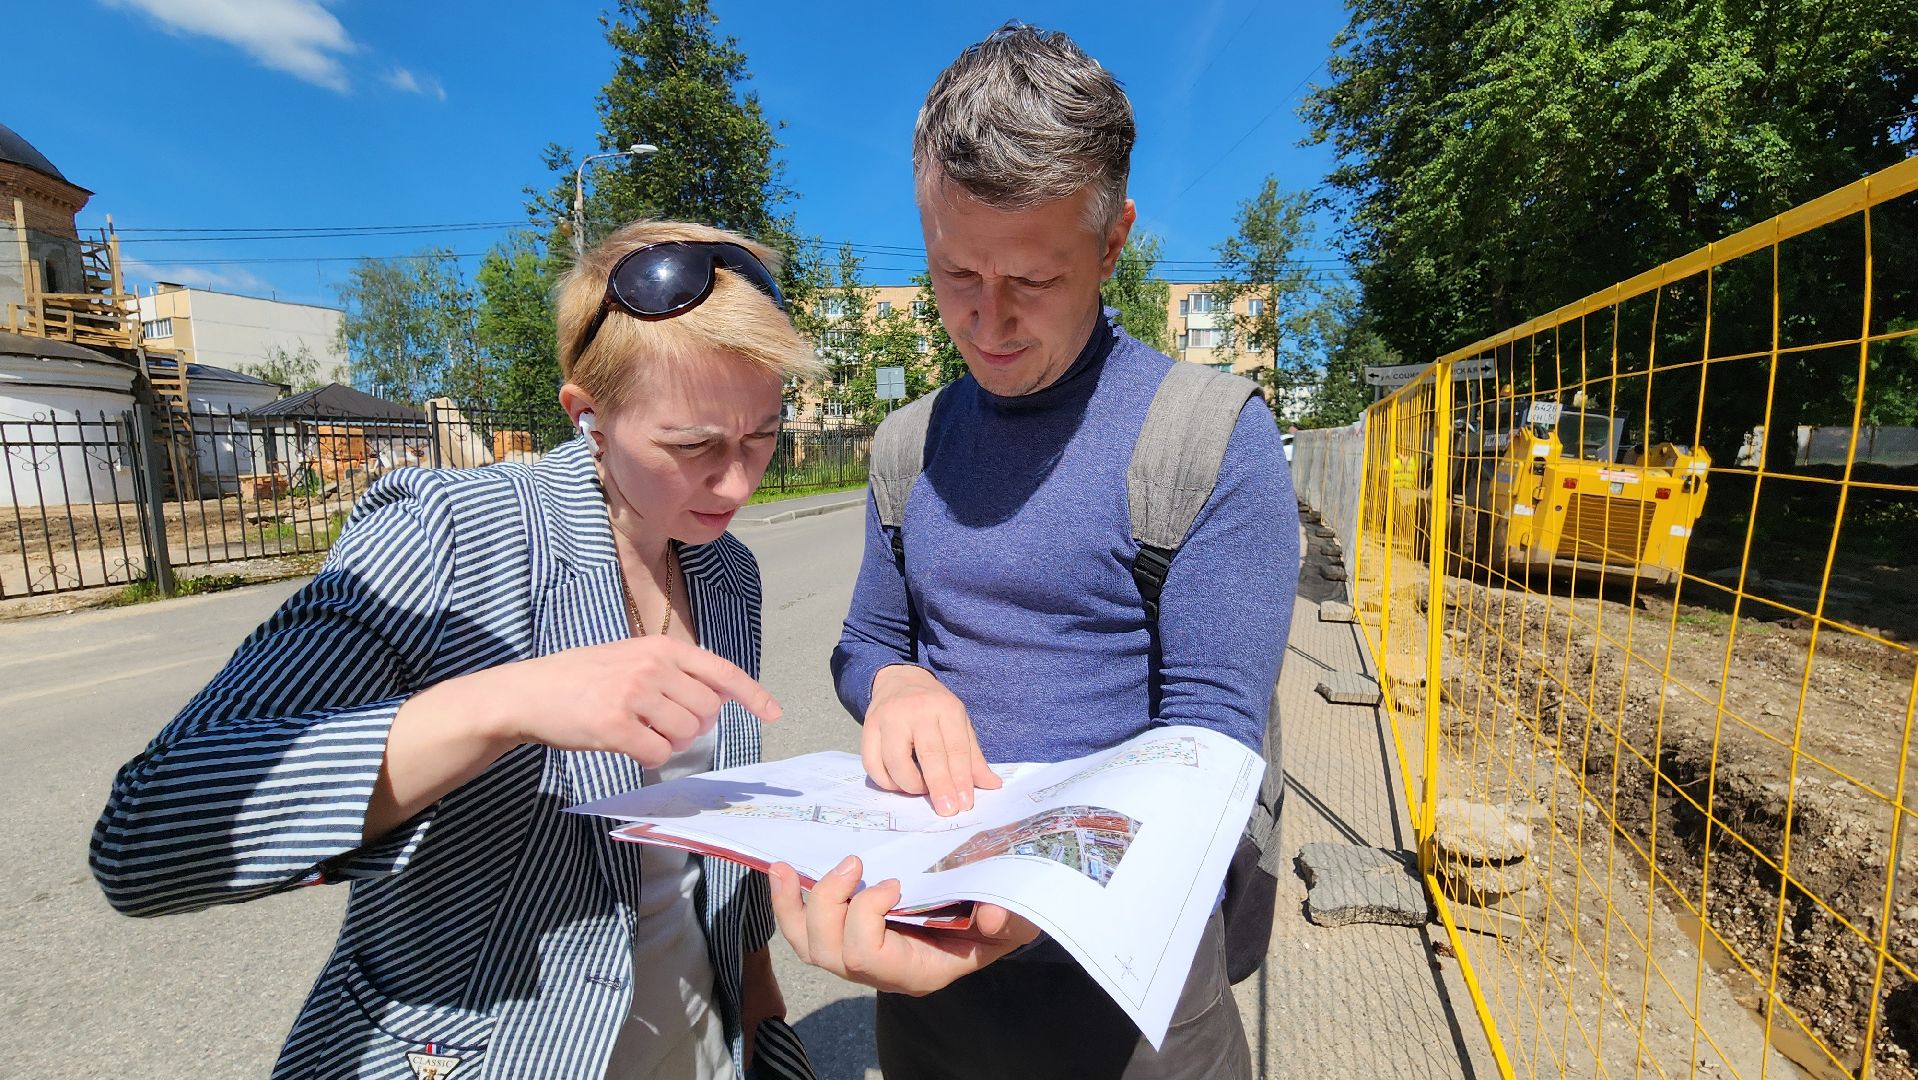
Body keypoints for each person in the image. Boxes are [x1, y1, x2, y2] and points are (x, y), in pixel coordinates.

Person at [90, 221, 823, 1080]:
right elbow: (145, 839)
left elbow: (702, 858)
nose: (738, 483)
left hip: (699, 1043)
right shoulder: (447, 535)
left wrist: (765, 1016)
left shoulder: (726, 571)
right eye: (693, 445)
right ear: (589, 415)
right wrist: (501, 703)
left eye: (762, 435)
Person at [768, 22, 1298, 1080]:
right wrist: (900, 681)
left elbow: (1210, 750)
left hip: (1133, 1000)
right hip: (931, 990)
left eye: (1035, 280)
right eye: (955, 273)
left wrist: (1026, 904)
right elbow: (865, 644)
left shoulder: (1206, 436)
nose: (988, 320)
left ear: (1112, 244)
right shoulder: (909, 443)